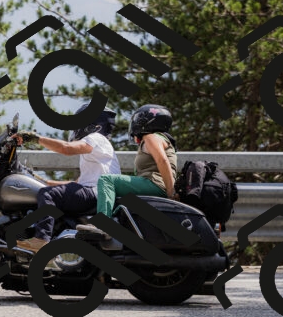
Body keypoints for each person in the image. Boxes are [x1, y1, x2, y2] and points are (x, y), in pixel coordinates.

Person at [12, 104, 122, 253]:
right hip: (95, 193)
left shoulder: (96, 138)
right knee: (47, 190)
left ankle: (41, 239)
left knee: (47, 194)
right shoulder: (100, 147)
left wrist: (36, 138)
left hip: (95, 193)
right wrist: (42, 181)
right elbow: (77, 183)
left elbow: (67, 148)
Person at [76, 104, 177, 237]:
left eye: (139, 119)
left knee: (107, 180)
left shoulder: (151, 137)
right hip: (154, 183)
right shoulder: (159, 138)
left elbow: (162, 161)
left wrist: (171, 192)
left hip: (155, 184)